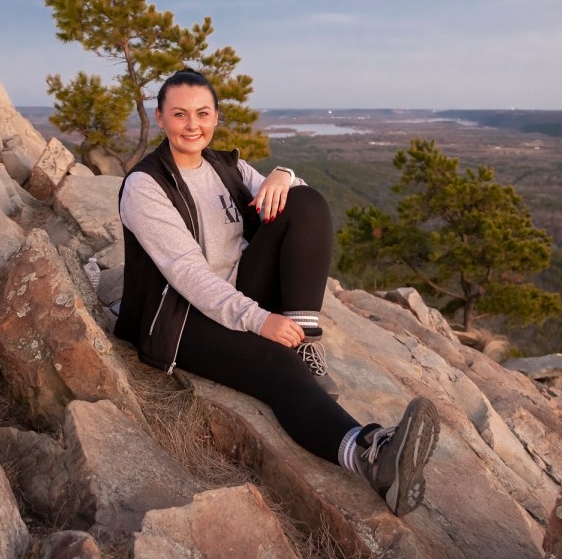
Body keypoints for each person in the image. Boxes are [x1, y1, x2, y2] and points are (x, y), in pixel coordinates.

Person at [114, 68, 440, 516]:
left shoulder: (224, 165)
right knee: (278, 367)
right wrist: (259, 320)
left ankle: (305, 339)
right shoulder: (146, 186)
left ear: (216, 116)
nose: (193, 126)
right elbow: (187, 273)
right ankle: (372, 454)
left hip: (240, 289)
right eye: (180, 114)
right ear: (160, 117)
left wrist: (284, 175)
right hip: (181, 315)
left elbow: (298, 207)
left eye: (203, 113)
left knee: (306, 202)